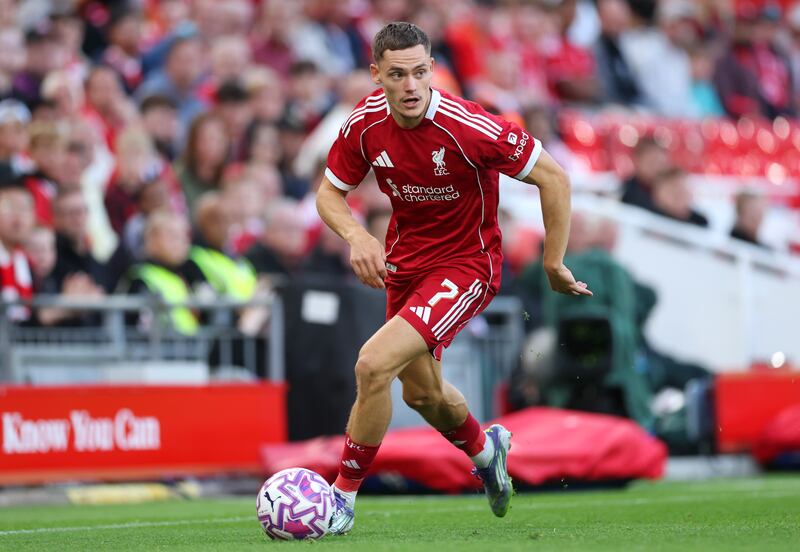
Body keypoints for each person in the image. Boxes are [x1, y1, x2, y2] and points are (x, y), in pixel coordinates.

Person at [315, 23, 591, 535]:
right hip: (405, 266)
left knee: (372, 366)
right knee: (422, 394)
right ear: (378, 75)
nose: (412, 86)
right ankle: (489, 453)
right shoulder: (365, 124)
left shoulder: (470, 126)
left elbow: (553, 176)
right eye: (398, 75)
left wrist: (554, 262)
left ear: (432, 70)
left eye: (421, 72)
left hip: (467, 265)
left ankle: (340, 501)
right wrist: (358, 237)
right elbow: (329, 194)